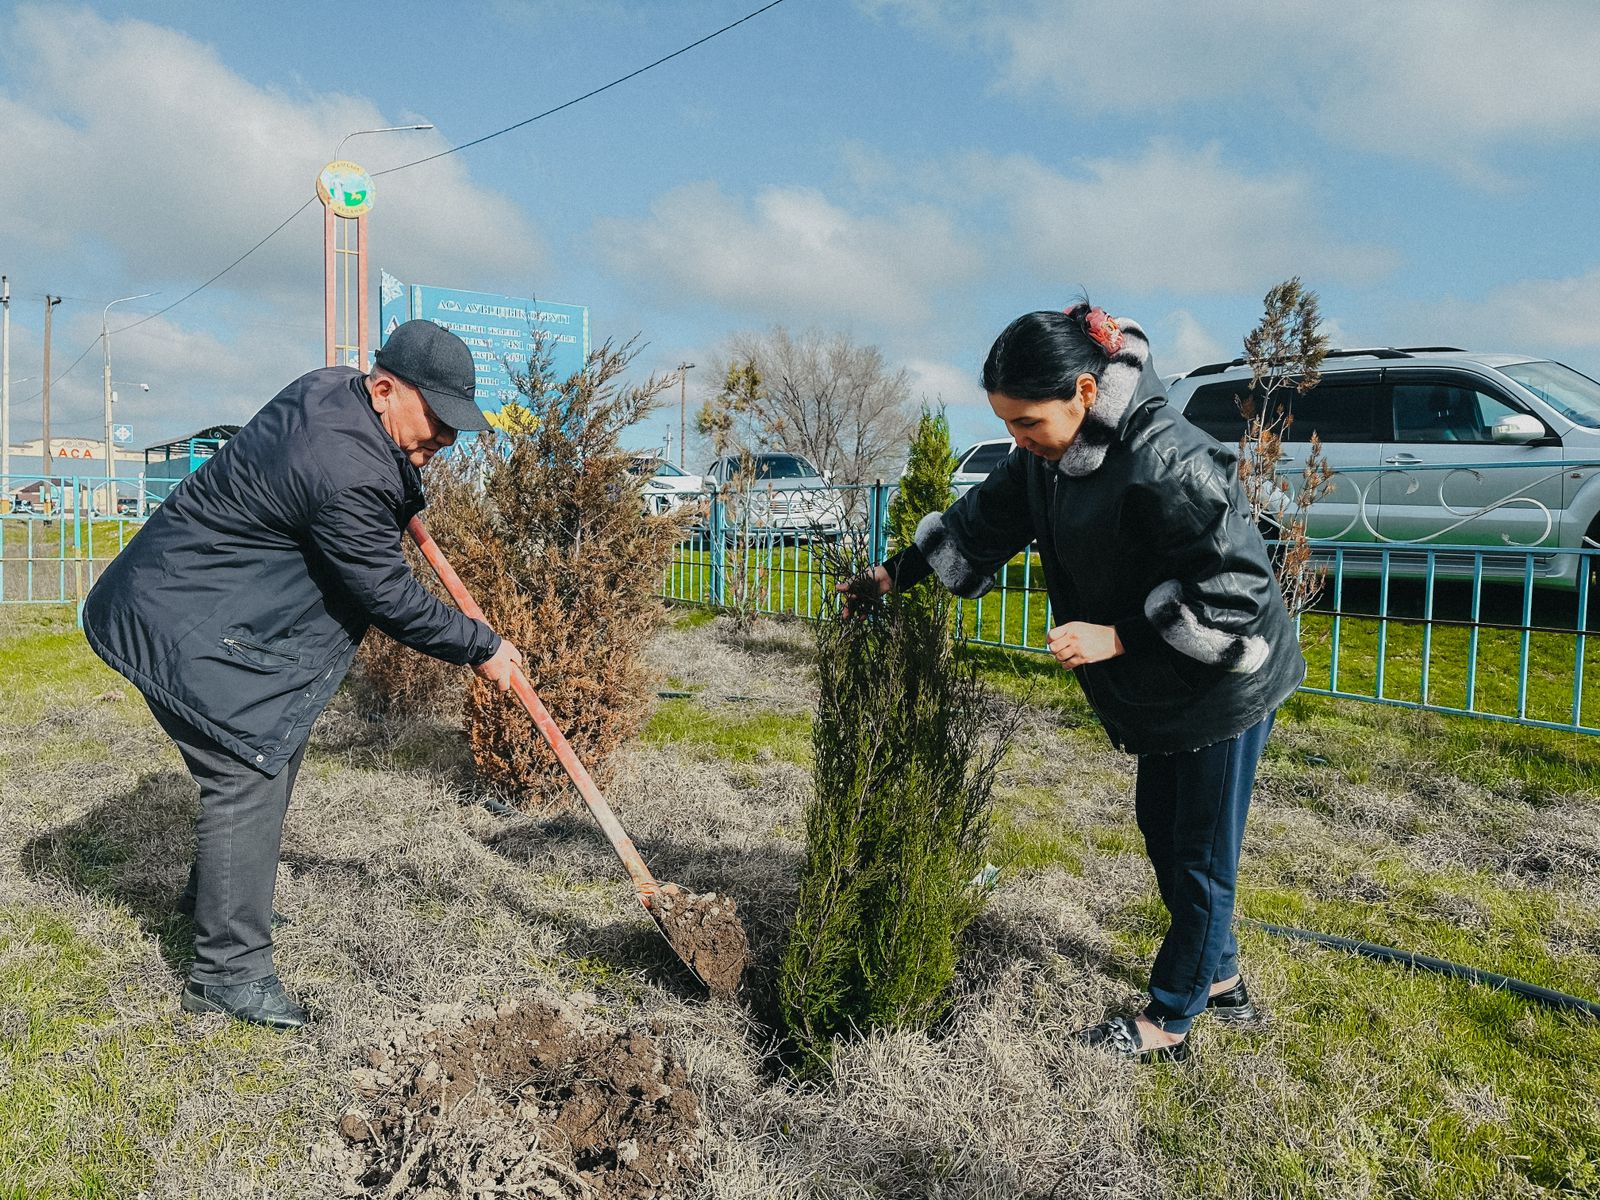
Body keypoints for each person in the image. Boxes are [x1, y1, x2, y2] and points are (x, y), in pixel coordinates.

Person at [841, 303, 1305, 1062]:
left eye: (1027, 424)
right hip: (1164, 682)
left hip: (1224, 680)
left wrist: (1117, 636)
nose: (1019, 443)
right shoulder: (1049, 459)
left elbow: (1238, 592)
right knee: (1167, 832)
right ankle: (1219, 977)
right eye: (1010, 426)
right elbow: (981, 518)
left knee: (1201, 854)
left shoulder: (1169, 459)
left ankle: (1169, 1020)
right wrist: (896, 574)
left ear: (1085, 392)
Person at [82, 320, 523, 1032]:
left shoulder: (333, 392)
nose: (447, 439)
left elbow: (370, 489)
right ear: (384, 389)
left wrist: (404, 478)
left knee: (267, 751)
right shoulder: (344, 467)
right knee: (244, 765)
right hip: (178, 618)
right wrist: (482, 646)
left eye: (456, 427)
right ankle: (228, 973)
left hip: (200, 598)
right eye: (438, 420)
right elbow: (388, 597)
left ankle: (222, 898)